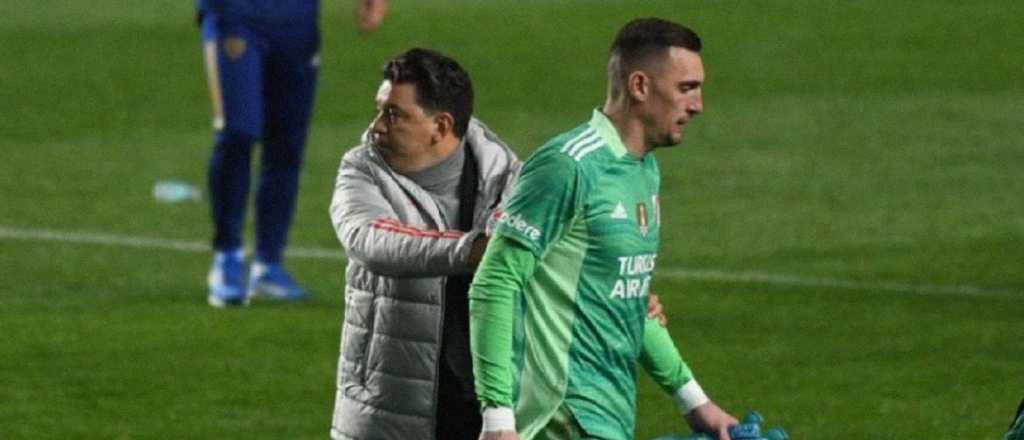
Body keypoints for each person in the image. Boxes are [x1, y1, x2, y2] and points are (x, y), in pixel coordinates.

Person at [469, 18, 738, 440]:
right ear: (640, 86)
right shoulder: (569, 165)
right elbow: (495, 281)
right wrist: (498, 419)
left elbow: (628, 298)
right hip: (560, 415)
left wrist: (694, 401)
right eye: (686, 88)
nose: (698, 105)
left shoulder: (642, 170)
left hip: (608, 412)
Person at [327, 48, 520, 440]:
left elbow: (557, 251)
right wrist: (472, 250)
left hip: (487, 406)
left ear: (440, 126)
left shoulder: (508, 177)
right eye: (379, 111)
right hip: (389, 406)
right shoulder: (361, 169)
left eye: (393, 114)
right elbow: (372, 241)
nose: (377, 127)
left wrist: (625, 294)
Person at [199, 0, 388, 307]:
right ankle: (227, 256)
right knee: (238, 133)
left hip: (297, 21)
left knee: (287, 144)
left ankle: (268, 264)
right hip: (236, 15)